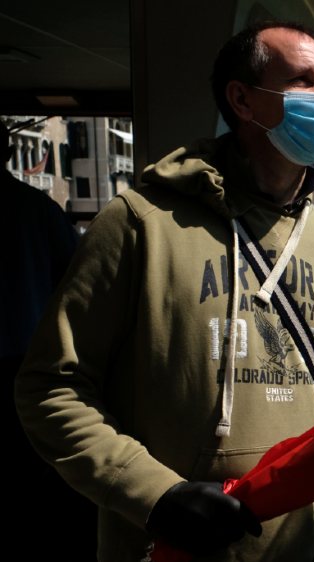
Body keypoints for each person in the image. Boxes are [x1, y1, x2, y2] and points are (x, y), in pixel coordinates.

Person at [15, 21, 314, 561]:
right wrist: (155, 496)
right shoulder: (138, 225)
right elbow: (51, 387)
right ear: (242, 99)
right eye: (305, 81)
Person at [1, 121, 93, 558]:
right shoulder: (37, 209)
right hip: (27, 355)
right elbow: (78, 281)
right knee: (30, 463)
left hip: (22, 354)